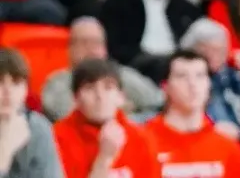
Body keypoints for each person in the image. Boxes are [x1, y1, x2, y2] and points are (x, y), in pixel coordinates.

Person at [144, 50, 240, 178]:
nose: (192, 84)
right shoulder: (143, 142)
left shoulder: (228, 146)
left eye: (200, 76)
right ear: (165, 87)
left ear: (209, 85)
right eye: (181, 76)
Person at [52, 58, 158, 178]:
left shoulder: (141, 139)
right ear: (76, 99)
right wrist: (105, 159)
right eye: (90, 88)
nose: (100, 96)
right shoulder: (57, 139)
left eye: (108, 87)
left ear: (121, 97)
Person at [0, 48, 65, 178]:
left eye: (16, 83)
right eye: (0, 82)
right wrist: (4, 152)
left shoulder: (38, 127)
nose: (8, 91)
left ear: (26, 90)